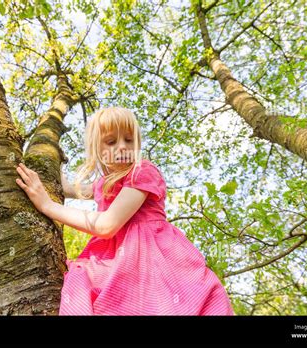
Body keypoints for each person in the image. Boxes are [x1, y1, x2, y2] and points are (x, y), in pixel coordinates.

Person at [15, 106, 234, 315]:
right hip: (114, 257)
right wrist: (51, 160)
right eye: (111, 141)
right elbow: (70, 189)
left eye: (129, 140)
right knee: (82, 282)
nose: (122, 147)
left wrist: (47, 205)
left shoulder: (143, 171)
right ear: (97, 149)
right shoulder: (103, 183)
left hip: (151, 257)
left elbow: (106, 225)